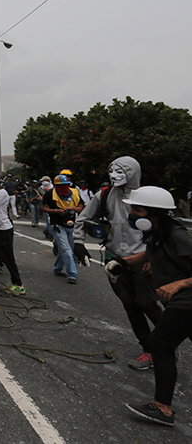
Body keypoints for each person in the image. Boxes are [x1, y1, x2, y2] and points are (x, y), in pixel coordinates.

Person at [74, 156, 162, 370]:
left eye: (120, 171)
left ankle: (165, 344)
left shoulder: (146, 197)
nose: (114, 176)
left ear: (132, 173)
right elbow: (83, 217)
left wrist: (154, 257)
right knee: (130, 305)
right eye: (111, 171)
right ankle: (149, 349)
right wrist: (78, 241)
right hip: (115, 260)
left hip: (141, 259)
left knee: (148, 304)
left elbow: (163, 229)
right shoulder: (104, 195)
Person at [115, 186, 192, 427]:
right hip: (181, 301)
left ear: (155, 215)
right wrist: (121, 262)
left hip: (187, 300)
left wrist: (178, 284)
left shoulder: (178, 236)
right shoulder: (158, 233)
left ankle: (163, 408)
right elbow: (150, 254)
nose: (132, 214)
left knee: (160, 343)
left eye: (138, 210)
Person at [42, 174, 85, 284]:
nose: (64, 188)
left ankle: (57, 268)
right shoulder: (50, 194)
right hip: (57, 225)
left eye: (66, 185)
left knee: (67, 248)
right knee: (66, 249)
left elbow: (81, 207)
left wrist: (72, 209)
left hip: (71, 224)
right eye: (61, 186)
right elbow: (44, 208)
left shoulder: (74, 193)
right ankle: (72, 274)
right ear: (56, 186)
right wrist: (56, 211)